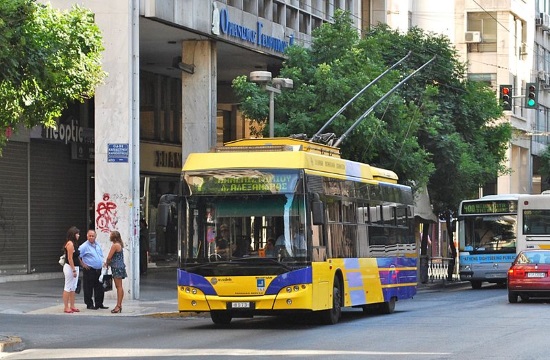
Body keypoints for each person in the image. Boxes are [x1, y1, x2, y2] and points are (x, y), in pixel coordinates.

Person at [78, 229, 108, 310]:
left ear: (95, 237)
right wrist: (83, 264)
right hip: (89, 270)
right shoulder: (84, 246)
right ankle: (89, 304)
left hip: (98, 270)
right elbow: (77, 255)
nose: (91, 237)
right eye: (90, 236)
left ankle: (99, 303)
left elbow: (100, 255)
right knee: (88, 288)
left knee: (99, 287)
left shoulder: (97, 245)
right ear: (87, 236)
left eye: (93, 236)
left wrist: (103, 262)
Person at [105, 230, 127, 314]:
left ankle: (118, 305)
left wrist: (107, 263)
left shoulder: (115, 245)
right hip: (120, 266)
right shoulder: (120, 245)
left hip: (116, 267)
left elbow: (109, 256)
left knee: (118, 287)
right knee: (120, 286)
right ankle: (119, 304)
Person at [62, 226, 80, 314]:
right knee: (68, 286)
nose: (78, 235)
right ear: (73, 234)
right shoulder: (70, 244)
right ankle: (66, 306)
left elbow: (77, 256)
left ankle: (72, 305)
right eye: (77, 234)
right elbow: (70, 258)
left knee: (73, 287)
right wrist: (73, 270)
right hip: (70, 267)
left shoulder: (75, 244)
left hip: (76, 266)